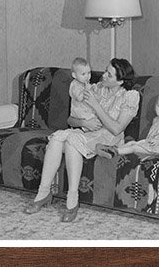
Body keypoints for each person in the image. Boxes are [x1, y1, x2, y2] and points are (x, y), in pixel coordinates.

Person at [23, 58, 140, 223]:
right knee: (57, 139)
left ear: (120, 81)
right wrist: (84, 122)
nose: (103, 75)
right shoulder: (94, 88)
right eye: (106, 70)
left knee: (71, 141)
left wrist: (95, 105)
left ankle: (72, 199)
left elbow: (117, 128)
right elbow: (71, 120)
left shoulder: (130, 96)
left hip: (109, 138)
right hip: (87, 134)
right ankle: (43, 194)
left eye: (109, 74)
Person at [118, 92, 159, 157]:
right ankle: (115, 149)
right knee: (132, 143)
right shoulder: (156, 120)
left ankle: (117, 152)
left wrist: (158, 141)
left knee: (134, 148)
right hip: (152, 143)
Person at [68, 57, 96, 124]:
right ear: (74, 75)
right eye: (83, 74)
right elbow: (79, 98)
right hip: (78, 114)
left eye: (89, 73)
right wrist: (87, 89)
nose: (87, 76)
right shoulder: (75, 85)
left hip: (86, 111)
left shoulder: (84, 83)